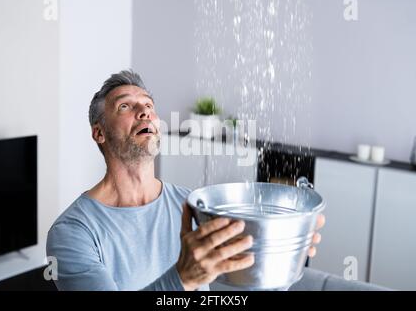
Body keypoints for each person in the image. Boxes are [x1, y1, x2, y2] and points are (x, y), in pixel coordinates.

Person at [46, 70, 325, 291]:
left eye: (148, 105)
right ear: (99, 133)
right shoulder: (72, 233)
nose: (144, 112)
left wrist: (282, 257)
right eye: (125, 106)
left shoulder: (191, 205)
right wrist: (182, 279)